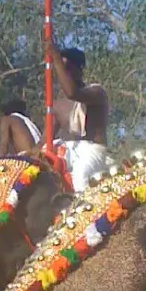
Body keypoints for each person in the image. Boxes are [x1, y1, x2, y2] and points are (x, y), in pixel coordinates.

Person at [44, 40, 113, 192]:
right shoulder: (57, 106)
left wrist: (56, 58)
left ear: (79, 70)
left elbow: (72, 93)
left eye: (66, 68)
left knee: (81, 175)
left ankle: (83, 213)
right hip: (68, 150)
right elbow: (45, 139)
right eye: (60, 68)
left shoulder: (96, 93)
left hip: (92, 151)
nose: (63, 72)